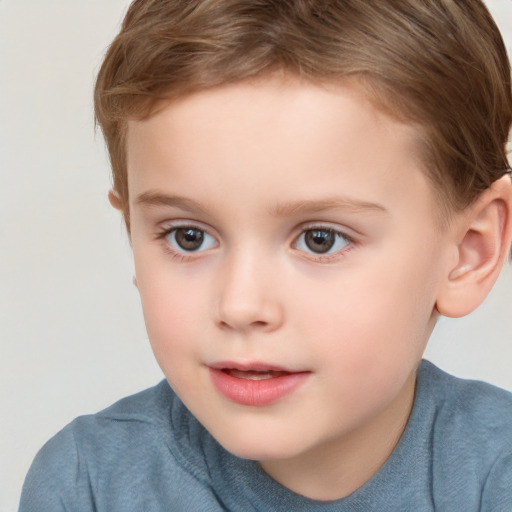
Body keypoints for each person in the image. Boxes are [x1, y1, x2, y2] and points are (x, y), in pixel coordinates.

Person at [18, 0, 512, 510]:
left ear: (469, 252)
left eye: (321, 239)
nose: (240, 305)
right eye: (189, 236)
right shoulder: (88, 486)